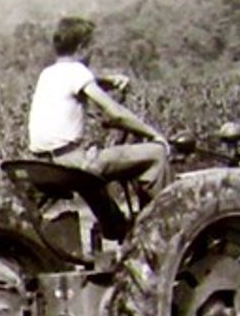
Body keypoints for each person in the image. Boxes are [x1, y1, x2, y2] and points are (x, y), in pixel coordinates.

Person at [26, 16, 170, 197]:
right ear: (81, 48)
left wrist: (108, 81)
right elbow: (117, 114)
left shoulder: (48, 73)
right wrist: (154, 134)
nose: (92, 53)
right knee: (156, 153)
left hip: (46, 162)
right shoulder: (77, 72)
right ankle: (161, 220)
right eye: (91, 48)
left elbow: (77, 85)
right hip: (73, 163)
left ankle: (115, 223)